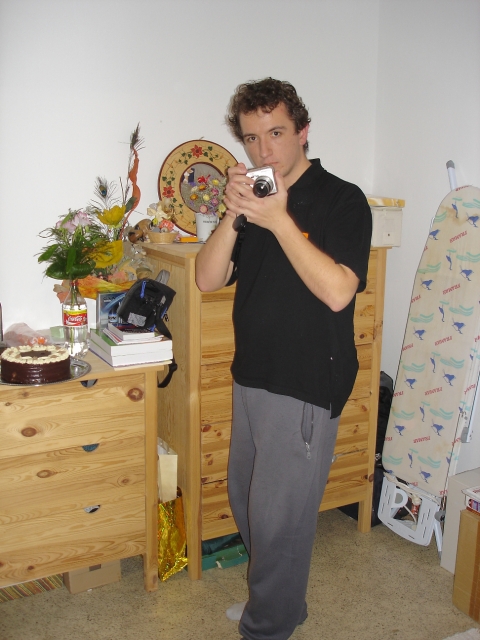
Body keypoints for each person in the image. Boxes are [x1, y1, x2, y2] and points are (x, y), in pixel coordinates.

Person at [195, 78, 372, 640]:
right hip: (253, 375)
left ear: (303, 130)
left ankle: (267, 626)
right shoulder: (255, 200)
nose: (263, 150)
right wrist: (234, 214)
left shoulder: (342, 199)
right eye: (251, 138)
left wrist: (278, 219)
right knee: (248, 503)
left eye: (275, 133)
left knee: (279, 521)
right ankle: (282, 604)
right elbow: (207, 279)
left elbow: (338, 291)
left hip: (305, 382)